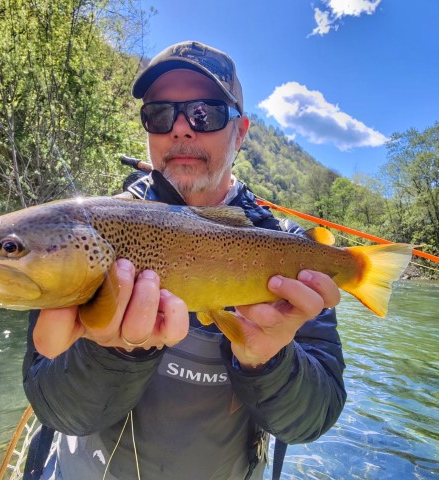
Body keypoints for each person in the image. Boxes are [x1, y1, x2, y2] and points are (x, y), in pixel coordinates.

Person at [22, 40, 347, 480]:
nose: (180, 129)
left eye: (204, 113)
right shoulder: (86, 234)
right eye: (160, 114)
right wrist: (114, 351)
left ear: (241, 131)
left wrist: (268, 361)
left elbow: (312, 420)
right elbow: (56, 410)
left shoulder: (287, 253)